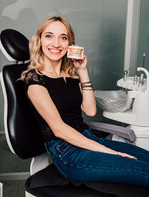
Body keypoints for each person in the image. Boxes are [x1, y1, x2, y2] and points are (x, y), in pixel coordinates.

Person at [22, 16, 149, 187]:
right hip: (67, 152)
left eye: (63, 37)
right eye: (49, 36)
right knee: (143, 172)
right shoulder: (35, 80)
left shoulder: (70, 74)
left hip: (89, 139)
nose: (56, 43)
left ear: (70, 44)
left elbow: (90, 110)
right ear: (39, 40)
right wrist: (110, 152)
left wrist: (82, 71)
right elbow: (59, 130)